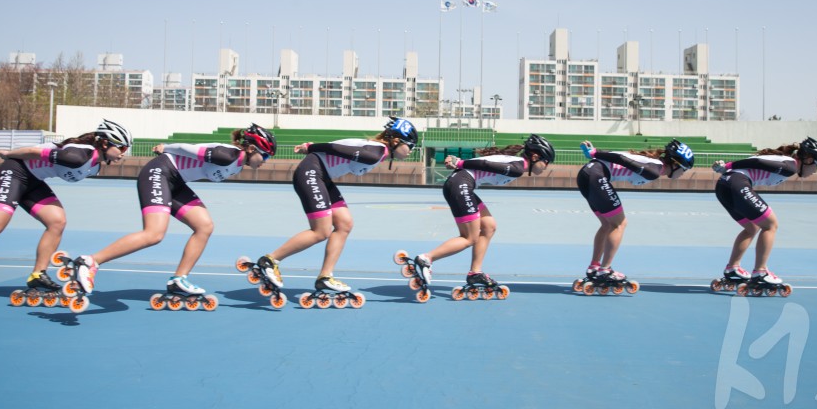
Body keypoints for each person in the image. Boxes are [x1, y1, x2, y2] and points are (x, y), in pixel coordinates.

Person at [0, 119, 132, 310]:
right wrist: (9, 154)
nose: (124, 152)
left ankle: (37, 275)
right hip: (15, 171)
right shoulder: (78, 155)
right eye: (122, 147)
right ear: (105, 143)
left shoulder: (94, 166)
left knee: (57, 221)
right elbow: (34, 151)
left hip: (33, 181)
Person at [69, 124, 276, 303]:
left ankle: (179, 280)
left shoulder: (237, 165)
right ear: (250, 148)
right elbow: (190, 149)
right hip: (160, 173)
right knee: (154, 234)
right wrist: (165, 147)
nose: (265, 160)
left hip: (176, 181)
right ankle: (90, 262)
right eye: (265, 155)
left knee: (204, 226)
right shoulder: (229, 155)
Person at [254, 117, 417, 298]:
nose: (411, 150)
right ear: (396, 141)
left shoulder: (378, 151)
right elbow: (337, 149)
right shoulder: (376, 152)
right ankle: (269, 260)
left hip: (323, 176)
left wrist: (312, 148)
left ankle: (325, 276)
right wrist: (311, 147)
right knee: (321, 231)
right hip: (312, 172)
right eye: (410, 145)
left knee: (344, 223)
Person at [406, 134, 555, 297]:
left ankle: (475, 272)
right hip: (461, 184)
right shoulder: (518, 168)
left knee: (489, 227)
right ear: (535, 157)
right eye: (546, 162)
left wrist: (459, 162)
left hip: (461, 184)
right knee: (470, 237)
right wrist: (460, 162)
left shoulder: (516, 163)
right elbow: (485, 164)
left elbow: (486, 163)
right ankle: (427, 258)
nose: (546, 166)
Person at [711, 137, 817, 292]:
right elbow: (758, 163)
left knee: (752, 228)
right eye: (816, 165)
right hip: (736, 183)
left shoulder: (785, 161)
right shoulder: (791, 166)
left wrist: (728, 169)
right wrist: (728, 165)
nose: (815, 171)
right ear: (807, 159)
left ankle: (733, 268)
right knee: (770, 225)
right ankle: (760, 272)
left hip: (724, 186)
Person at [574, 138, 695, 290]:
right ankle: (604, 270)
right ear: (676, 164)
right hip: (596, 175)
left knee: (607, 224)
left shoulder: (651, 163)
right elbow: (622, 159)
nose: (683, 174)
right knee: (619, 224)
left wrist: (596, 154)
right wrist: (595, 153)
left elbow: (620, 158)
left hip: (586, 174)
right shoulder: (654, 170)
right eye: (685, 169)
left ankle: (594, 267)